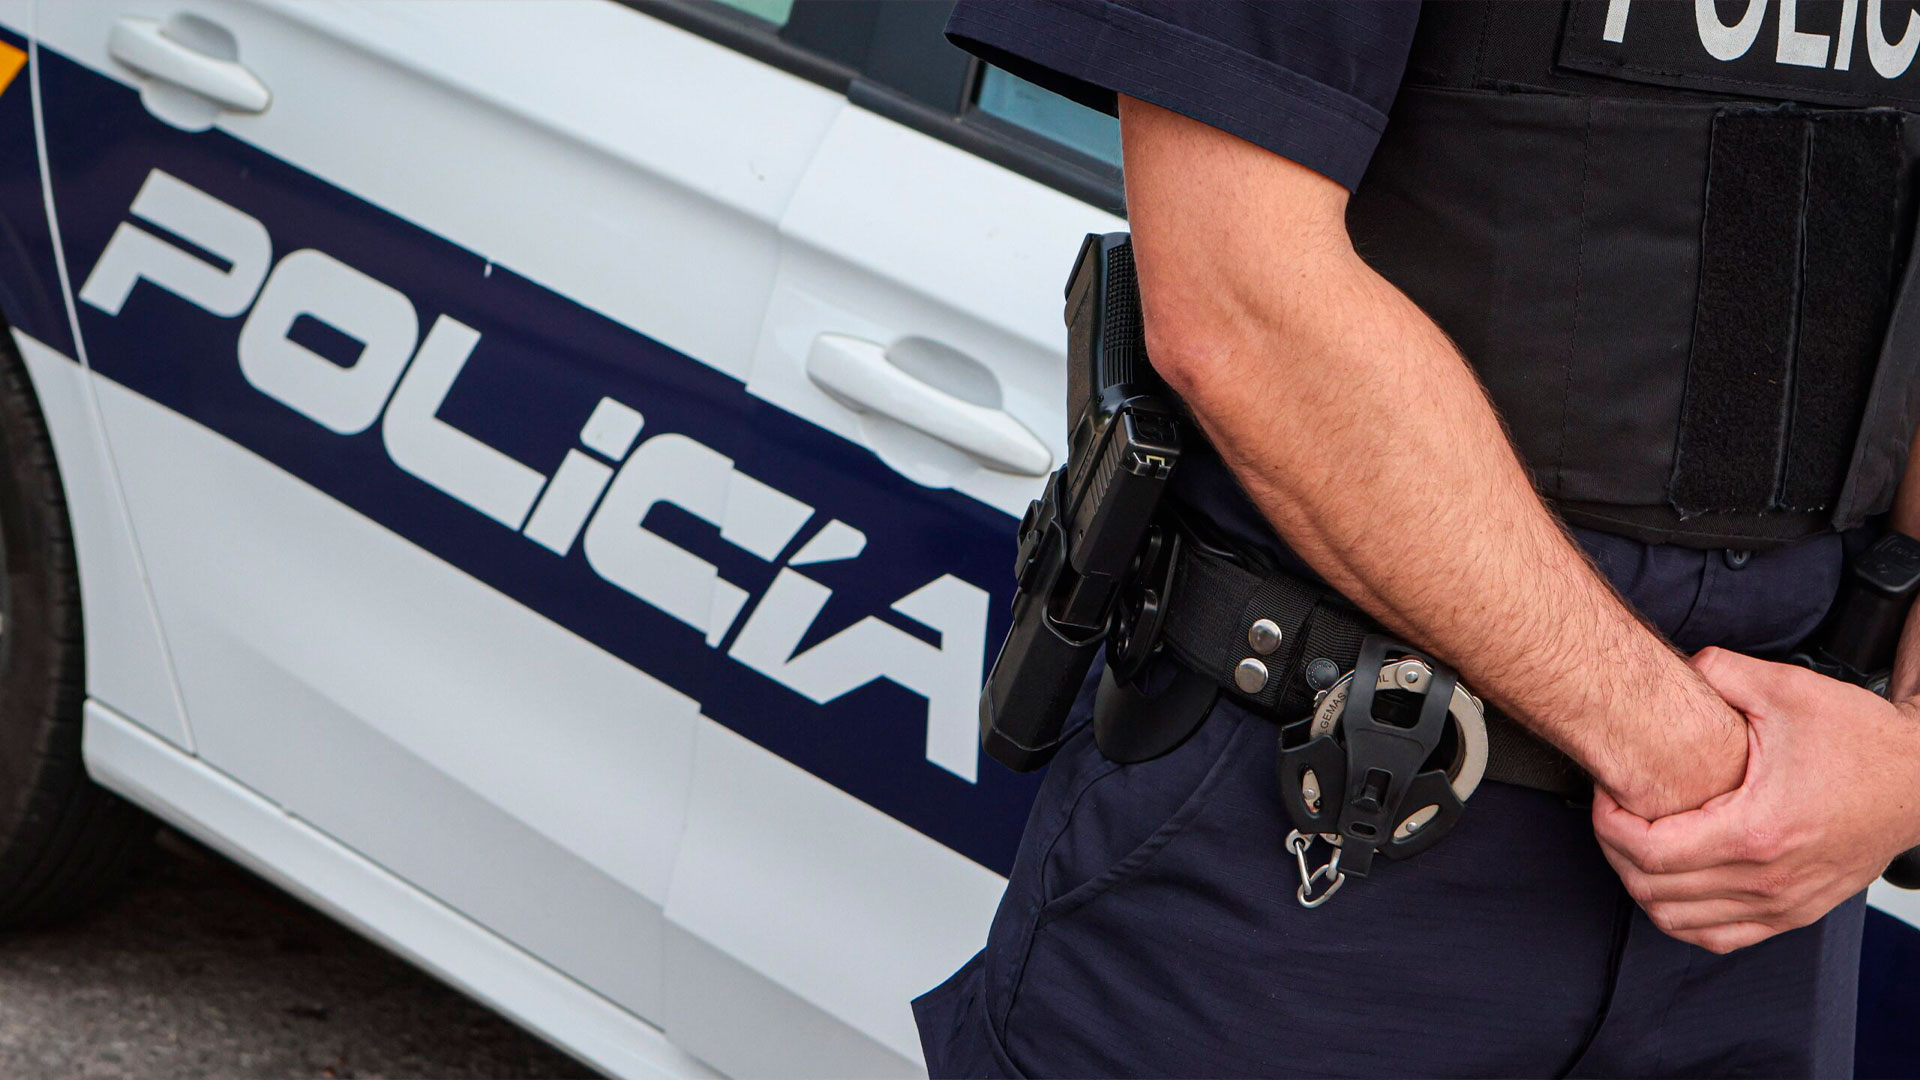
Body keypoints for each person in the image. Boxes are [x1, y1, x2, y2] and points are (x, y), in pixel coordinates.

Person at [913, 2, 1920, 1076]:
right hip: (1322, 839)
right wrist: (1707, 765)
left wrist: (1904, 762)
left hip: (1774, 898)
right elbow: (1237, 298)